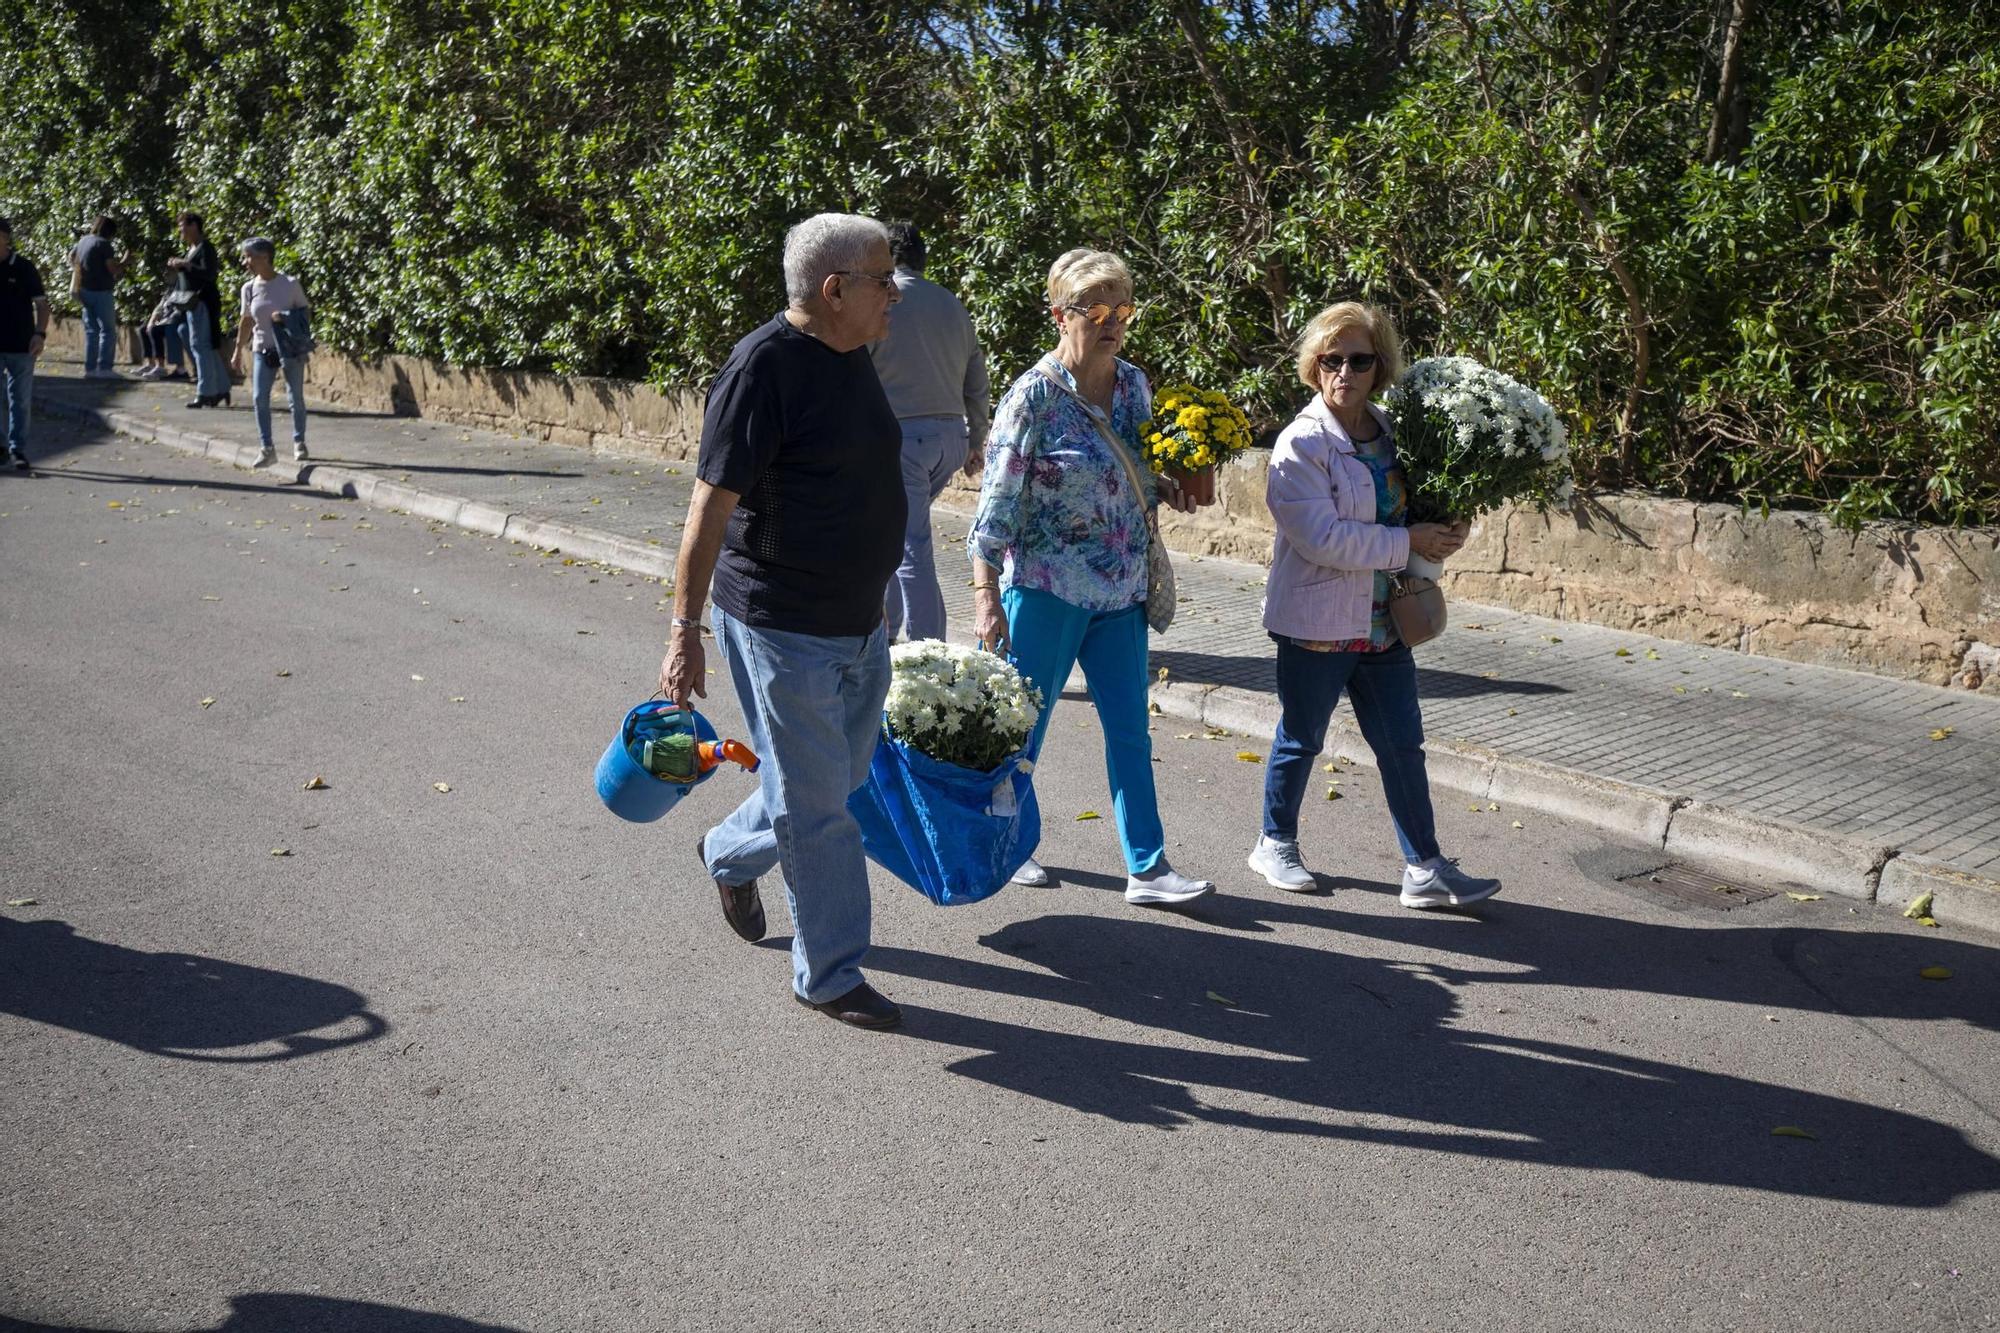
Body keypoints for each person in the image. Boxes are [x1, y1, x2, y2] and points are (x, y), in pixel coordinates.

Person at [661, 213, 908, 1031]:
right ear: (834, 291)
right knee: (817, 808)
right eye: (883, 277)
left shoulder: (852, 354)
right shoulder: (762, 369)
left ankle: (727, 852)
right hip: (781, 624)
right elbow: (709, 505)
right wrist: (683, 629)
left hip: (856, 619)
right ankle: (831, 972)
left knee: (838, 780)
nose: (896, 293)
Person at [966, 247, 1212, 907]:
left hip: (1122, 591)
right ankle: (1004, 846)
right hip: (1045, 589)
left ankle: (1148, 866)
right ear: (1059, 314)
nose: (1111, 323)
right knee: (1022, 730)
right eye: (1094, 310)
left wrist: (1169, 485)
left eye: (1121, 309)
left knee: (1131, 727)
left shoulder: (1133, 384)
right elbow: (994, 508)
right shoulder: (1035, 397)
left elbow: (1133, 469)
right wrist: (986, 596)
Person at [1247, 300, 1500, 909]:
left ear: (1378, 367)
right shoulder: (1301, 444)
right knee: (1300, 737)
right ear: (1313, 367)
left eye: (1359, 360)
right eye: (1331, 360)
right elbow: (1323, 538)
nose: (1344, 372)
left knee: (1402, 746)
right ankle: (1274, 842)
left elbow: (1405, 512)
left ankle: (1425, 867)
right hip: (1317, 622)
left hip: (1384, 623)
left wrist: (1442, 529)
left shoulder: (1391, 433)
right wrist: (1406, 540)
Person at [869, 220, 991, 642]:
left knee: (911, 547)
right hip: (949, 441)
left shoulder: (882, 300)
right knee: (894, 532)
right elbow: (977, 378)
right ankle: (886, 632)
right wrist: (976, 440)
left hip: (901, 442)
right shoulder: (951, 303)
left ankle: (927, 652)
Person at [227, 238, 310, 465]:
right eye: (245, 257)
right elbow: (246, 320)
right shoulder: (249, 288)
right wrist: (237, 351)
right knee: (259, 397)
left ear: (265, 257)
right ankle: (266, 448)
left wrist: (283, 317)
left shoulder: (290, 284)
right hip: (262, 348)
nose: (246, 262)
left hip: (289, 349)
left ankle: (299, 441)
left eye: (249, 256)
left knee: (295, 397)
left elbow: (305, 315)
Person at [0, 217, 50, 471]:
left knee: (19, 399)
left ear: (6, 238)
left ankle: (17, 448)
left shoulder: (23, 267)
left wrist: (40, 334)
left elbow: (42, 304)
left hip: (22, 344)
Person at [166, 213, 229, 409]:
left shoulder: (205, 248)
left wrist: (186, 265)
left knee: (200, 346)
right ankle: (221, 387)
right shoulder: (193, 249)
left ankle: (205, 392)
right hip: (192, 304)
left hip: (203, 303)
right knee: (202, 344)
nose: (181, 231)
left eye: (183, 226)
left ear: (194, 226)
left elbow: (209, 274)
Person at [70, 216, 125, 378]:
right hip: (101, 291)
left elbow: (71, 257)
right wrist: (125, 262)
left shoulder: (84, 241)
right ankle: (105, 368)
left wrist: (82, 270)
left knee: (91, 331)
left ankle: (90, 368)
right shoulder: (104, 245)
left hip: (84, 290)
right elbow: (112, 269)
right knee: (108, 330)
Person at [134, 293, 188, 381]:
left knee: (155, 330)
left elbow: (177, 311)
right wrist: (152, 321)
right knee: (143, 329)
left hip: (173, 320)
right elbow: (159, 308)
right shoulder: (168, 291)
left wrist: (162, 322)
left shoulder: (180, 288)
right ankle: (150, 364)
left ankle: (161, 366)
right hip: (165, 319)